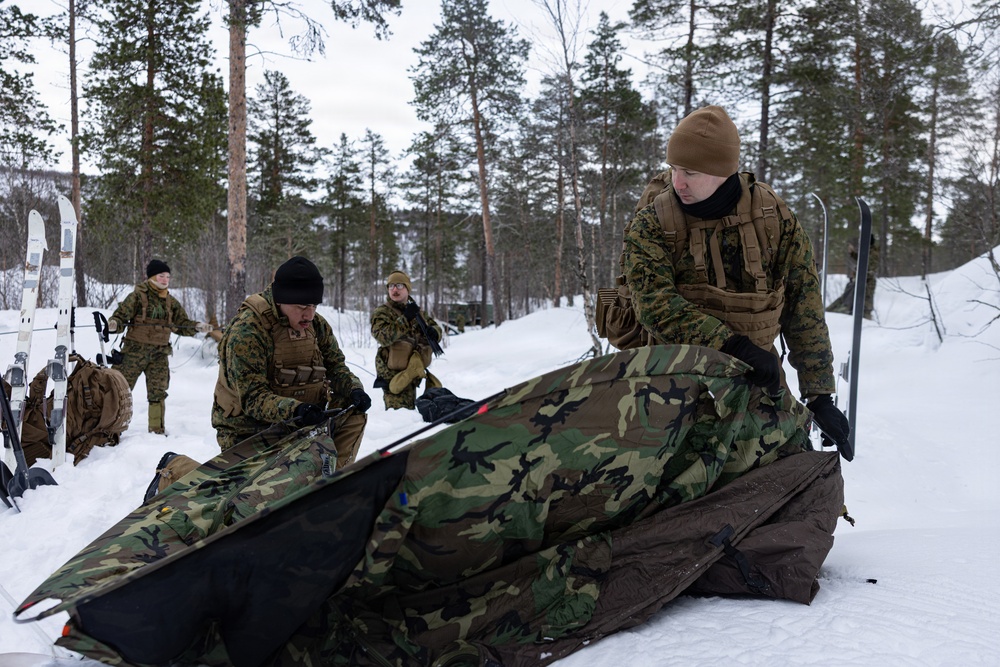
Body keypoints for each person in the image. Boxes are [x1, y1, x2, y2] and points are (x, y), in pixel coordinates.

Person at [621, 105, 851, 456]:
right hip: (671, 381)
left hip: (757, 381)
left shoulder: (775, 220)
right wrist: (734, 346)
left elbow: (803, 304)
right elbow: (655, 304)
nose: (677, 182)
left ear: (723, 170)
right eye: (674, 169)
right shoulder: (653, 222)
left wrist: (819, 394)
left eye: (691, 172)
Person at [211, 256, 371, 468]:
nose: (309, 314)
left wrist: (354, 389)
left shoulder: (316, 326)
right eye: (302, 306)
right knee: (258, 496)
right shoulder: (248, 330)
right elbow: (253, 398)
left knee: (354, 414)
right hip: (250, 430)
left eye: (314, 305)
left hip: (303, 422)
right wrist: (296, 410)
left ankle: (329, 479)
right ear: (281, 300)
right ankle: (174, 469)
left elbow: (336, 367)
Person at [107, 259, 212, 434]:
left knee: (158, 393)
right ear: (152, 277)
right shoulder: (137, 296)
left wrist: (197, 327)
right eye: (161, 276)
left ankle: (156, 431)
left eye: (167, 277)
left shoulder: (170, 301)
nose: (165, 280)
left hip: (159, 354)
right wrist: (113, 324)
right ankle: (110, 430)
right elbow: (120, 317)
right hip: (134, 353)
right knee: (120, 391)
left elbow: (181, 324)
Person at [371, 270, 443, 410]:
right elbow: (382, 336)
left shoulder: (416, 312)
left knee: (411, 418)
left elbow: (435, 327)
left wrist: (435, 332)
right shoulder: (383, 312)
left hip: (413, 374)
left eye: (399, 285)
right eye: (391, 286)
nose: (395, 289)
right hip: (393, 377)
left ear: (407, 288)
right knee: (399, 418)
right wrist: (405, 320)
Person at [827, 234, 878, 319]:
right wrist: (852, 253)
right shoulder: (867, 251)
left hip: (868, 282)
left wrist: (859, 274)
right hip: (860, 280)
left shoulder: (873, 253)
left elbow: (870, 270)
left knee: (866, 303)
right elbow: (861, 259)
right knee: (848, 297)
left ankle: (866, 319)